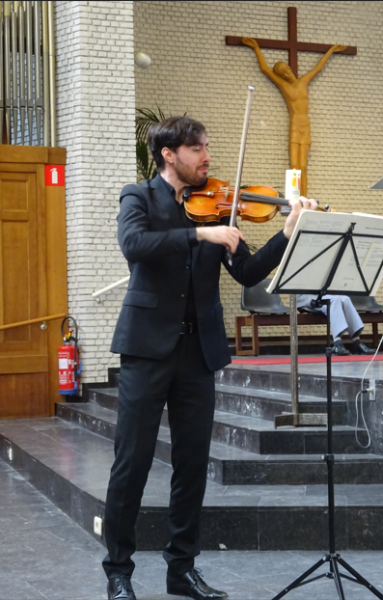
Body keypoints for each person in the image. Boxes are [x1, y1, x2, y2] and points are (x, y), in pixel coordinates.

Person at [103, 115, 318, 600]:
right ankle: (118, 571)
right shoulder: (138, 197)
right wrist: (201, 236)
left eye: (207, 147)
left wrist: (287, 231)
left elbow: (246, 272)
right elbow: (134, 246)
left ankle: (182, 570)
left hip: (198, 354)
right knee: (130, 463)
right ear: (169, 154)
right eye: (197, 148)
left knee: (192, 465)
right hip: (146, 349)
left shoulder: (218, 207)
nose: (207, 157)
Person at [242, 37, 346, 197]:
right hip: (295, 128)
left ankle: (304, 199)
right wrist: (256, 48)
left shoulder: (304, 81)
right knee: (294, 166)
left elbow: (318, 68)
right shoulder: (284, 86)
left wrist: (331, 51)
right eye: (283, 73)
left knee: (303, 166)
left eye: (287, 70)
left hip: (306, 128)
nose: (287, 74)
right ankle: (294, 199)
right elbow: (265, 69)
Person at [296, 294, 374, 355]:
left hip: (320, 296)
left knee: (345, 299)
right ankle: (337, 343)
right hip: (304, 297)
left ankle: (356, 341)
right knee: (333, 300)